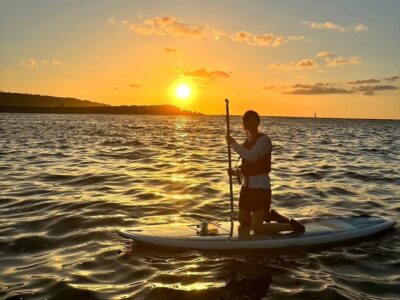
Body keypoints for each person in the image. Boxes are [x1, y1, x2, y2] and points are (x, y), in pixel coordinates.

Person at [227, 110, 305, 234]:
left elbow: (252, 157)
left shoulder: (264, 140)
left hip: (260, 188)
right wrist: (236, 172)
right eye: (245, 121)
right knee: (244, 221)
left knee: (257, 228)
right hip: (246, 188)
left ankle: (292, 226)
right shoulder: (247, 142)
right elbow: (248, 166)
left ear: (257, 122)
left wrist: (233, 144)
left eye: (250, 120)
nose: (247, 123)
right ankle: (270, 215)